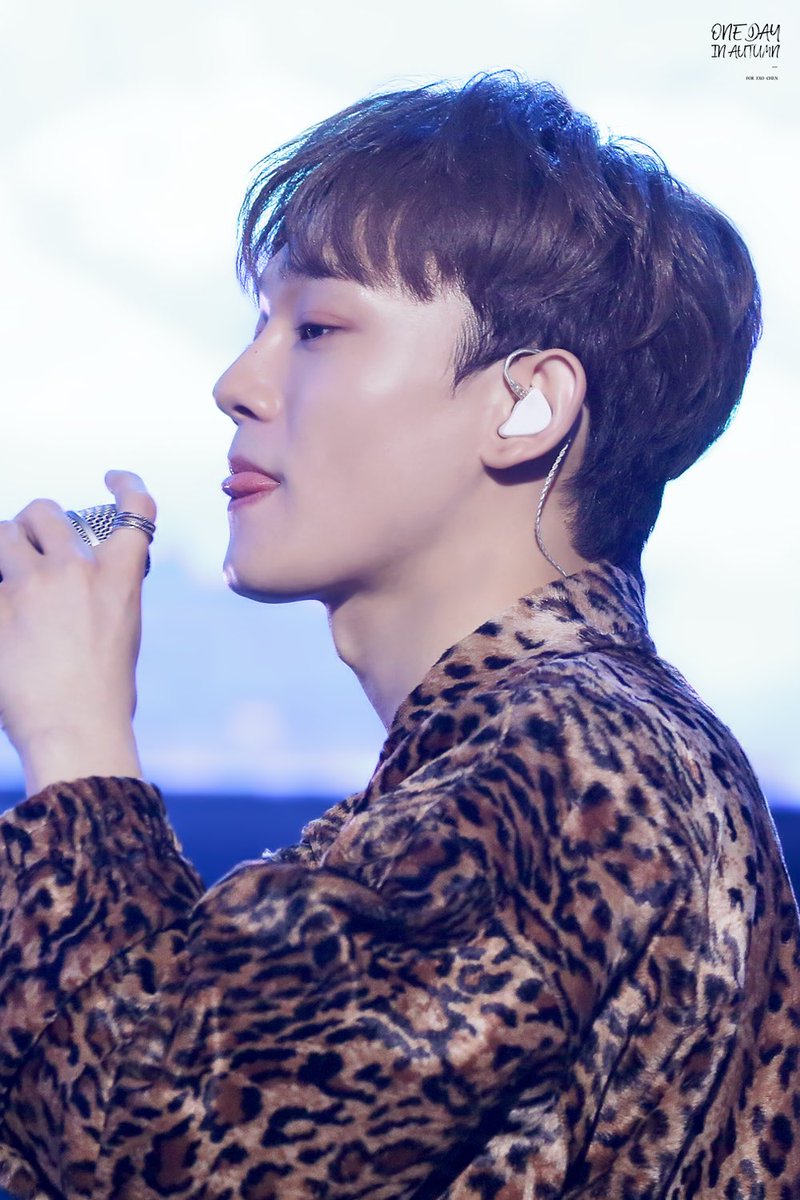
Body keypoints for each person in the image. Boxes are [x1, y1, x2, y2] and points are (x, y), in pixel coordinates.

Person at [0, 70, 797, 1199]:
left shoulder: (573, 761)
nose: (235, 384)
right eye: (260, 326)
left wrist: (75, 738)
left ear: (526, 403)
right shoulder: (541, 749)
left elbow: (169, 1145)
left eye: (318, 327)